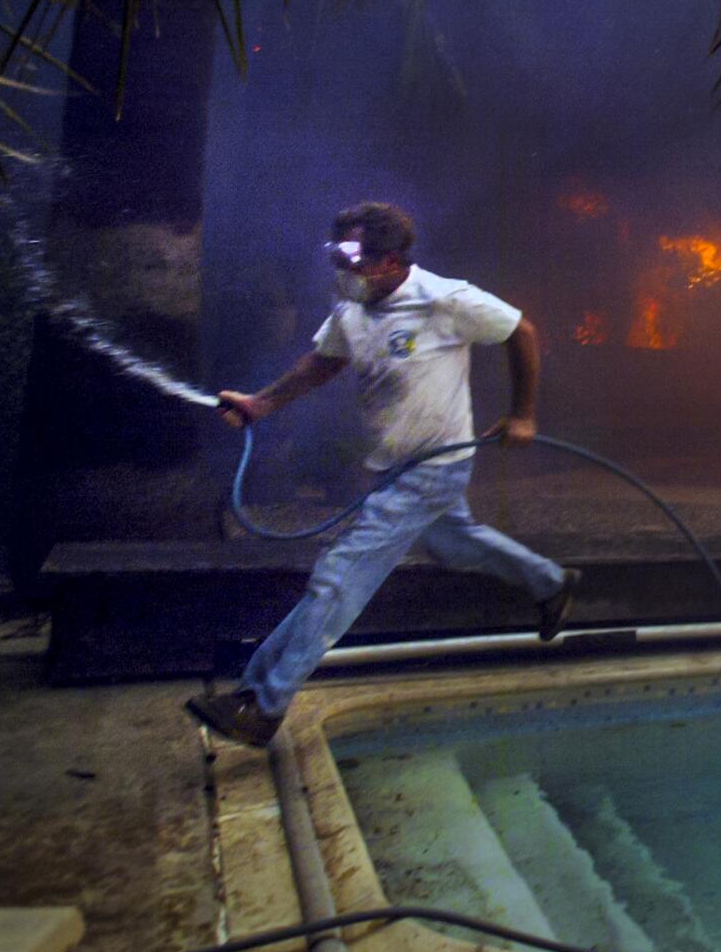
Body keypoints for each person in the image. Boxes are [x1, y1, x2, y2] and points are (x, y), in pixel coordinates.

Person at [186, 202, 579, 747]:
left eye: (348, 255)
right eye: (334, 253)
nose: (338, 265)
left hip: (434, 467)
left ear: (389, 261)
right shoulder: (352, 302)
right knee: (455, 545)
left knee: (338, 575)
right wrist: (260, 404)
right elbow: (323, 362)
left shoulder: (445, 299)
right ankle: (552, 583)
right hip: (392, 469)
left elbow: (523, 333)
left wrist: (523, 413)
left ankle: (263, 704)